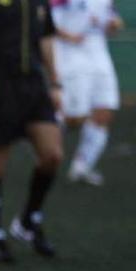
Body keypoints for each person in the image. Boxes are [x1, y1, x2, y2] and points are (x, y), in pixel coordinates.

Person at [0, 0, 64, 266]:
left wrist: (55, 82)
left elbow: (46, 37)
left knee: (52, 154)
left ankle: (28, 221)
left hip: (34, 84)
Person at [52, 0, 124, 187]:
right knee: (74, 118)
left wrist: (113, 24)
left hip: (99, 56)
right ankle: (45, 139)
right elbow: (44, 21)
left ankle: (82, 165)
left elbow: (113, 20)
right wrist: (67, 36)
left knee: (106, 109)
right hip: (71, 58)